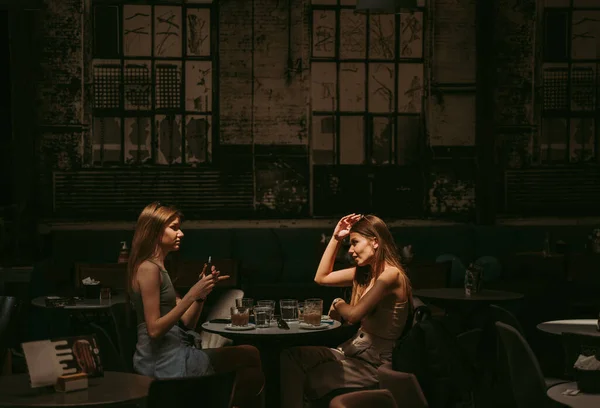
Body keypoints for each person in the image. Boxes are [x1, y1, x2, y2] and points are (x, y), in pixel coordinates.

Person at [128, 202, 264, 407]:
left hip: (176, 352)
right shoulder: (148, 269)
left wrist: (201, 295)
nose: (181, 233)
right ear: (155, 231)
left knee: (250, 356)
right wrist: (192, 294)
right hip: (163, 361)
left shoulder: (160, 268)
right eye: (174, 228)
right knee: (249, 364)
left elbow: (187, 323)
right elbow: (154, 330)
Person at [280, 214, 413, 408]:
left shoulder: (391, 275)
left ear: (375, 242)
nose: (350, 251)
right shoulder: (367, 273)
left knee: (309, 379)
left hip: (373, 363)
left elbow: (353, 315)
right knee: (291, 356)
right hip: (353, 350)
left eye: (354, 243)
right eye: (348, 244)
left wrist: (338, 303)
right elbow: (321, 277)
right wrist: (336, 238)